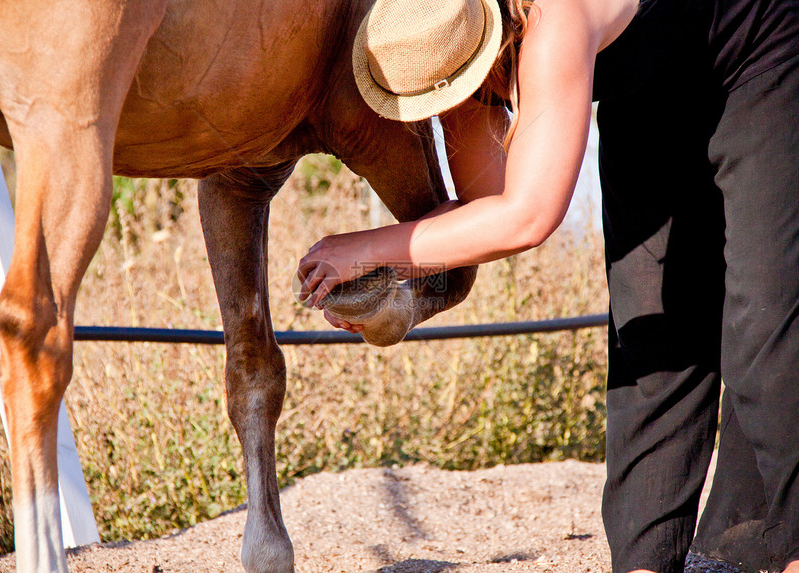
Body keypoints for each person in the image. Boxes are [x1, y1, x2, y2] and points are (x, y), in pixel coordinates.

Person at [296, 0, 799, 572]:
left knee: (764, 327)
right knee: (649, 333)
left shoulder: (553, 21)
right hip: (650, 83)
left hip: (763, 55)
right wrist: (392, 286)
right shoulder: (452, 55)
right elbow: (485, 215)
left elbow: (528, 217)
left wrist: (362, 248)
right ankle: (644, 562)